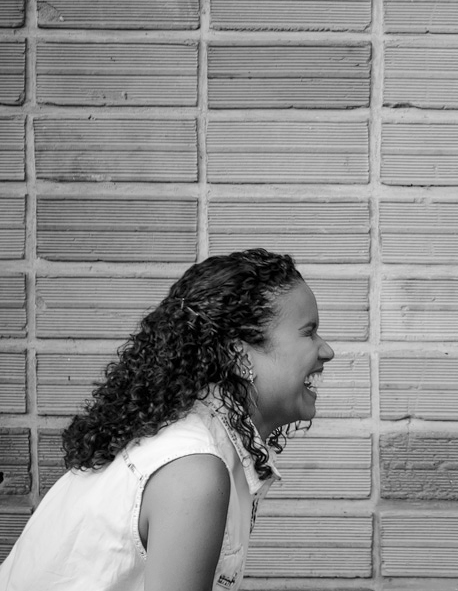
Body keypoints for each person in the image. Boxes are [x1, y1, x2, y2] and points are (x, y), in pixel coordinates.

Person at [0, 248, 334, 591]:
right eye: (309, 332)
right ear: (238, 353)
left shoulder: (204, 443)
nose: (327, 350)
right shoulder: (191, 470)